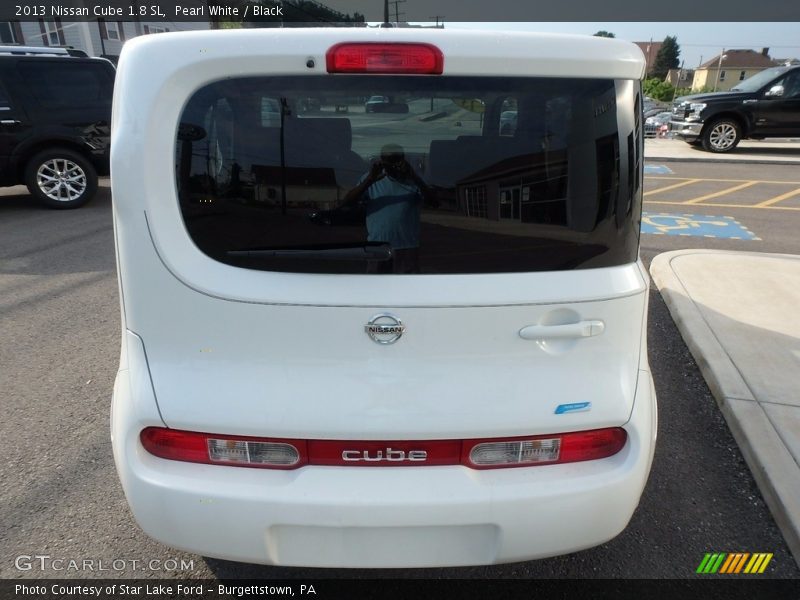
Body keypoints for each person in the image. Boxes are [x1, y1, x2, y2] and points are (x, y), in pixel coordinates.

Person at [343, 143, 431, 274]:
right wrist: (370, 180)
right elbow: (348, 202)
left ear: (403, 159)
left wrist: (414, 177)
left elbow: (434, 202)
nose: (394, 165)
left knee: (407, 290)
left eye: (397, 160)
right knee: (376, 290)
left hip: (407, 248)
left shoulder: (413, 181)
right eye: (389, 161)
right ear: (381, 161)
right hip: (378, 248)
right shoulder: (372, 179)